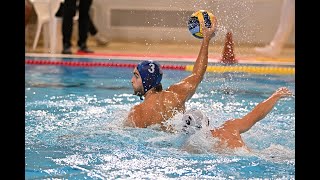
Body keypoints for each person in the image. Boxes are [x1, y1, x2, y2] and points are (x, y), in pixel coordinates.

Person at [123, 17, 217, 129]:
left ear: (146, 80)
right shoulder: (174, 95)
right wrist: (206, 39)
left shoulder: (135, 114)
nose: (132, 80)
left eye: (136, 76)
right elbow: (197, 74)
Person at [181, 87, 293, 151]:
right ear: (207, 121)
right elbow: (256, 115)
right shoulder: (230, 126)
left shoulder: (195, 146)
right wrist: (275, 96)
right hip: (266, 155)